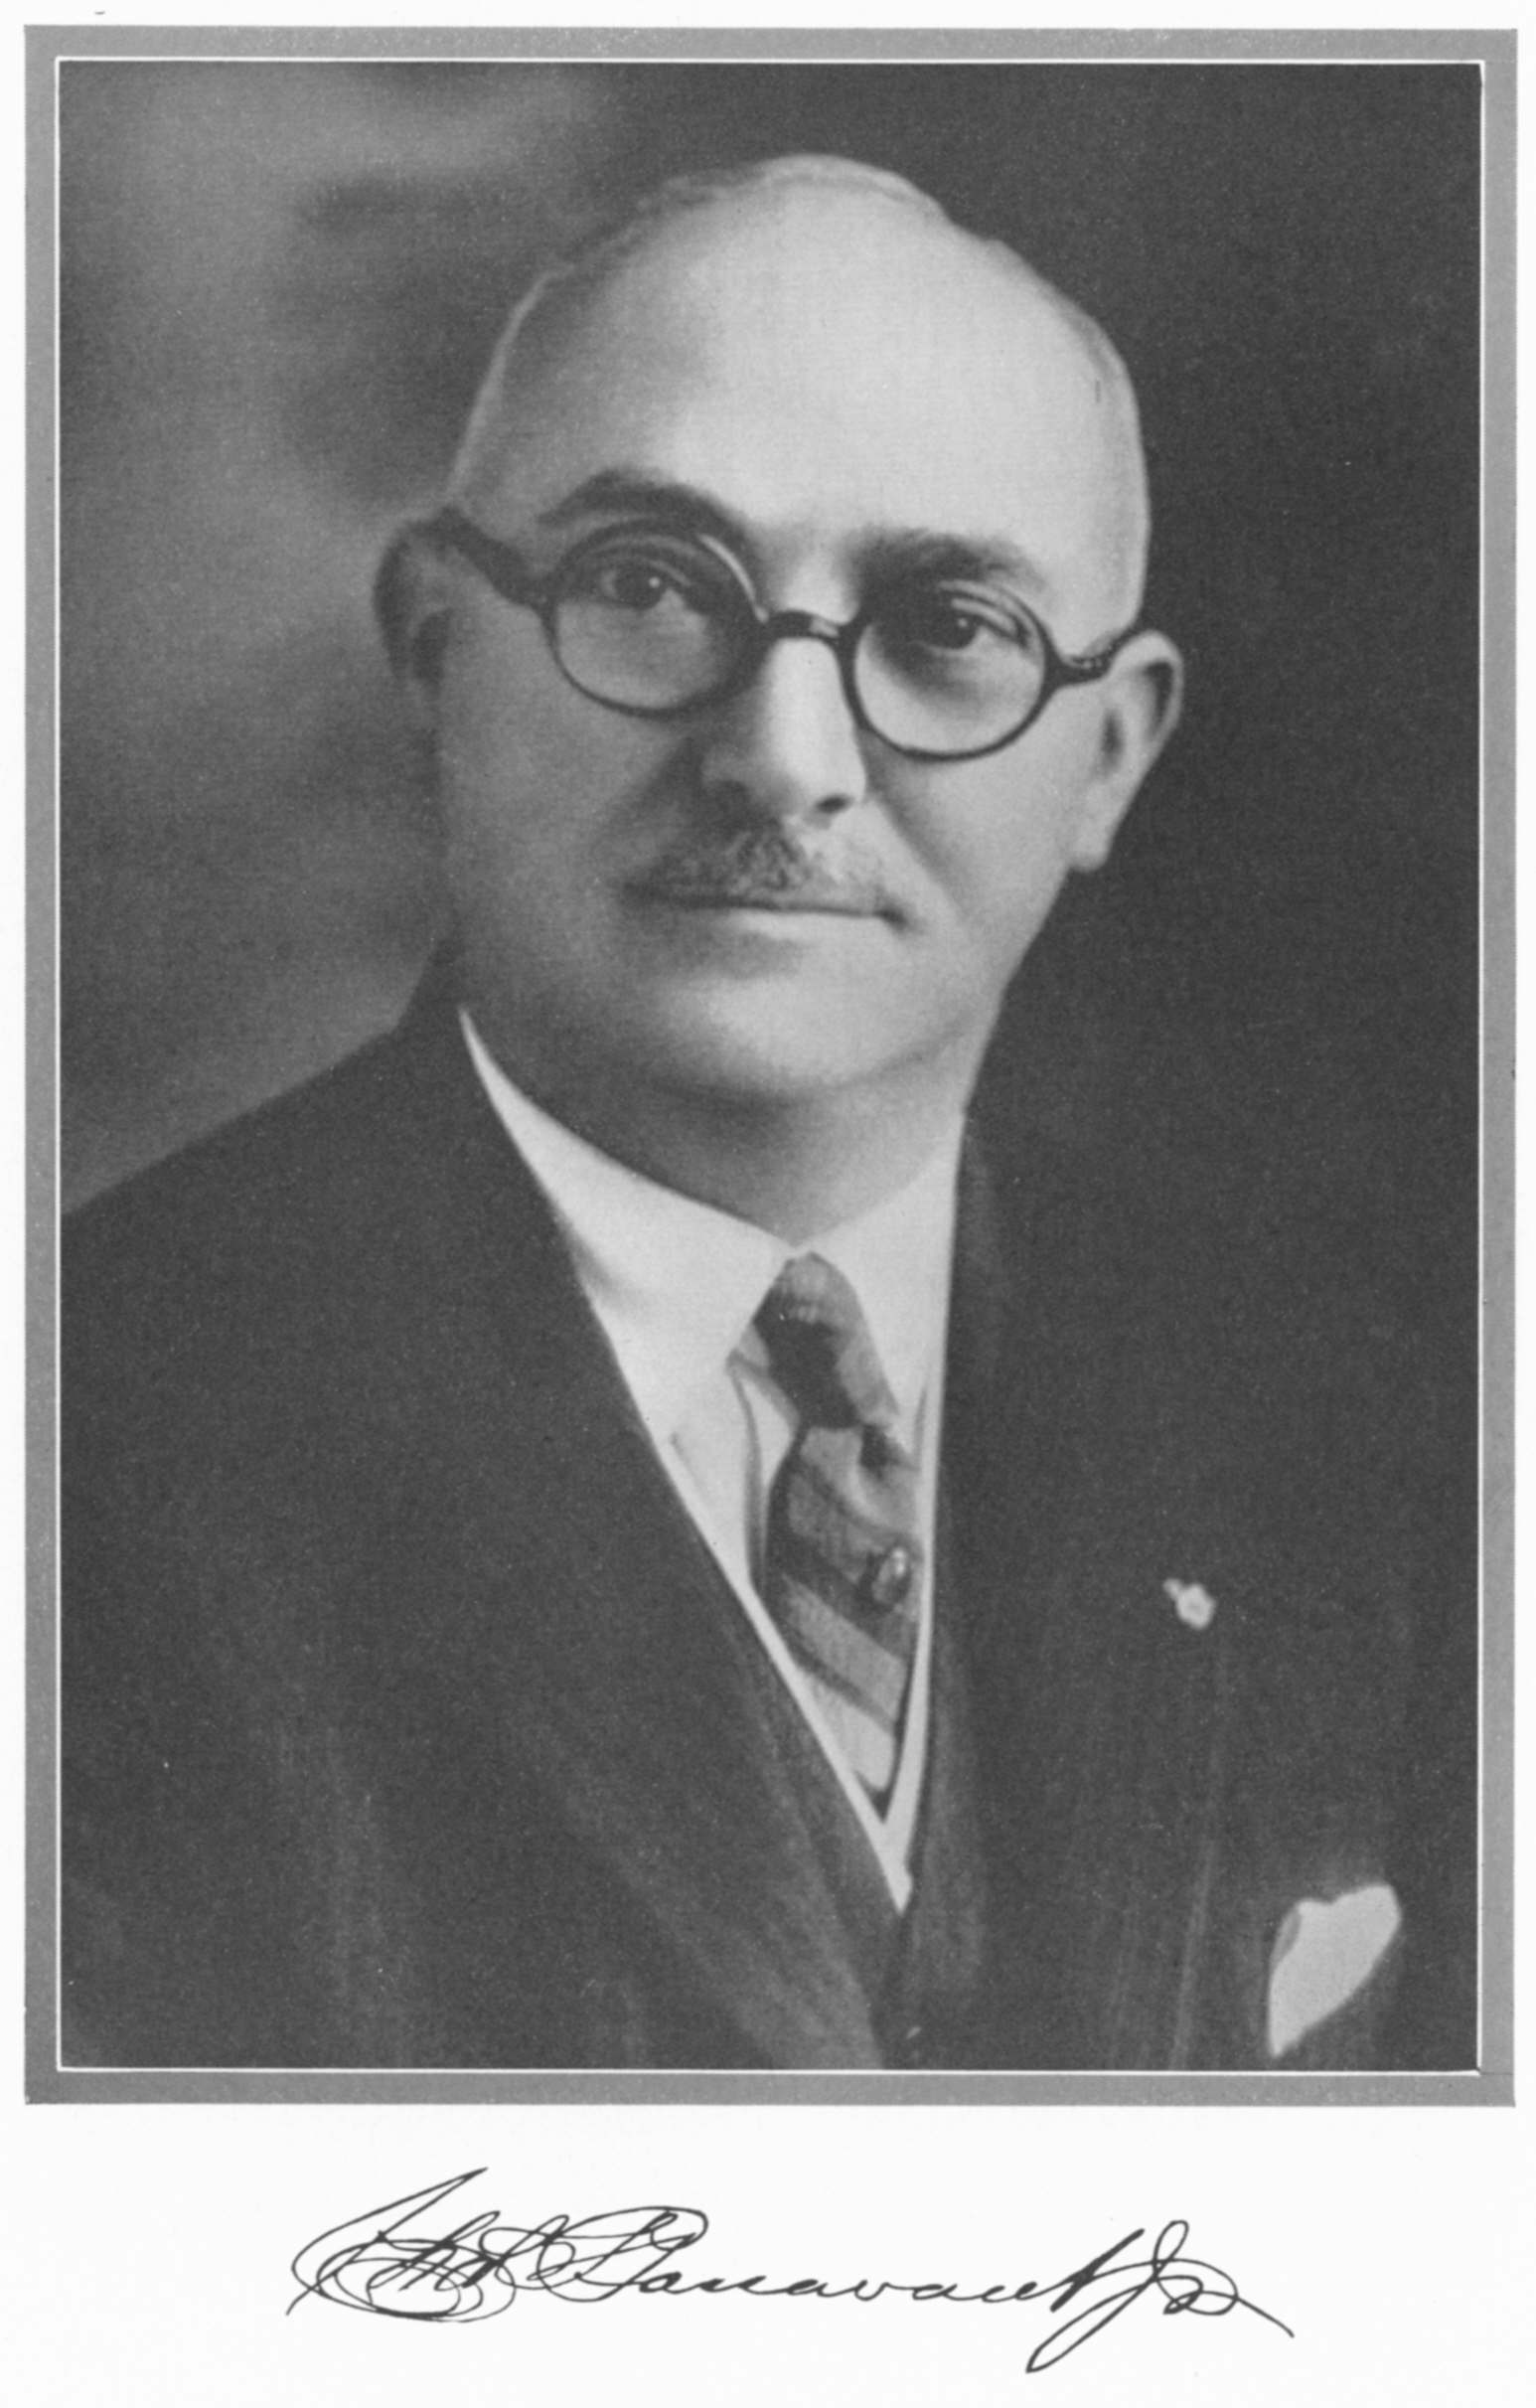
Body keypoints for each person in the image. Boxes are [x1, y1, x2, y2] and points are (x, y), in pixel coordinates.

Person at [61, 154, 1471, 2072]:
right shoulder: (81, 1447)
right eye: (649, 586)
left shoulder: (1374, 1435)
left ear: (1107, 755)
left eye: (948, 624)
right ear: (434, 648)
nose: (781, 760)